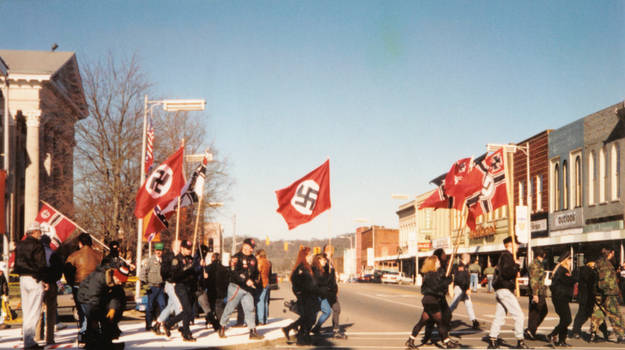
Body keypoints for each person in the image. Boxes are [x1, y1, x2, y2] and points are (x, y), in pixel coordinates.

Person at [405, 255, 458, 349]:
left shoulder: (428, 274)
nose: (439, 263)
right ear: (433, 263)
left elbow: (437, 287)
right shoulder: (433, 275)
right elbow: (438, 287)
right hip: (432, 301)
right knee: (441, 323)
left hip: (428, 300)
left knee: (422, 322)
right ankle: (447, 342)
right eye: (437, 261)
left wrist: (446, 278)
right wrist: (448, 280)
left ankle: (410, 340)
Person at [486, 236, 529, 349]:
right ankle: (520, 341)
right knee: (519, 315)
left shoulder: (504, 256)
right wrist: (516, 265)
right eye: (517, 244)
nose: (518, 246)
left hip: (501, 290)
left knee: (500, 316)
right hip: (504, 290)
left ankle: (492, 340)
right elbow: (507, 272)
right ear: (510, 244)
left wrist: (515, 268)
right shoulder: (507, 256)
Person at [218, 238, 264, 340]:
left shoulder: (253, 259)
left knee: (250, 308)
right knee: (230, 308)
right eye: (249, 247)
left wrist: (255, 280)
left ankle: (252, 331)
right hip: (236, 288)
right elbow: (234, 273)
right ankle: (221, 327)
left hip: (247, 289)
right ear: (244, 246)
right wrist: (246, 280)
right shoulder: (236, 258)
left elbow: (256, 272)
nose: (250, 250)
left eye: (252, 248)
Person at [77, 264, 130, 350]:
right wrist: (94, 318)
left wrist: (113, 309)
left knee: (106, 320)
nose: (121, 283)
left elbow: (116, 297)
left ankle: (106, 341)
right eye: (120, 281)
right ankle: (89, 343)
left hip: (100, 298)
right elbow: (93, 300)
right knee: (92, 322)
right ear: (115, 277)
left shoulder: (116, 282)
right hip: (86, 298)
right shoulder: (98, 279)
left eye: (123, 282)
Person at [14, 222, 49, 350]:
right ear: (34, 232)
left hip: (23, 279)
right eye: (39, 231)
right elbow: (41, 264)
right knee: (34, 312)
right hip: (35, 279)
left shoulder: (20, 244)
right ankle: (29, 342)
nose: (40, 233)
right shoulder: (37, 245)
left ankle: (27, 341)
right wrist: (44, 280)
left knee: (26, 311)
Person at [65, 232, 102, 341]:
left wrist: (71, 282)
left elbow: (68, 271)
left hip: (79, 285)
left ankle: (85, 330)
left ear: (80, 243)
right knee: (93, 308)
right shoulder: (99, 255)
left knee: (82, 309)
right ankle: (94, 330)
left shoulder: (74, 256)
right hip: (95, 285)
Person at [282, 246, 322, 345]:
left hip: (310, 294)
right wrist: (300, 292)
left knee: (308, 317)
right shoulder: (301, 267)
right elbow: (294, 280)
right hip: (305, 295)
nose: (310, 256)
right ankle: (300, 338)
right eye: (308, 254)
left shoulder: (307, 266)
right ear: (304, 256)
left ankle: (292, 330)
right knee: (308, 317)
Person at [162, 240, 197, 342]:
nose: (189, 251)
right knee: (188, 311)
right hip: (180, 286)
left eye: (190, 249)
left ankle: (169, 323)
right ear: (181, 248)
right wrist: (185, 270)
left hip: (189, 287)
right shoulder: (176, 260)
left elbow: (194, 272)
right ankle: (186, 333)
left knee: (188, 311)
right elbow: (174, 276)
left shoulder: (190, 259)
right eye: (187, 248)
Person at [590, 247, 625, 343]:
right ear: (611, 253)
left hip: (598, 293)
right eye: (613, 253)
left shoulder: (598, 262)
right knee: (615, 315)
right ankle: (621, 336)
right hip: (608, 294)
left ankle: (593, 335)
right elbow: (606, 281)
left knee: (597, 314)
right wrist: (610, 292)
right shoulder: (606, 264)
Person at [35, 235, 63, 345]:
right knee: (51, 313)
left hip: (39, 285)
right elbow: (58, 272)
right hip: (51, 285)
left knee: (39, 312)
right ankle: (49, 338)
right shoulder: (53, 254)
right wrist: (53, 281)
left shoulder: (36, 254)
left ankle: (38, 335)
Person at [572, 261, 608, 340]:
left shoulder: (582, 272)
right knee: (596, 315)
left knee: (590, 315)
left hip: (585, 298)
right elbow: (594, 286)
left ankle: (576, 331)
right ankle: (577, 331)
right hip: (588, 298)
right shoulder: (590, 273)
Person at [153, 240, 182, 337]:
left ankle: (157, 323)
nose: (181, 246)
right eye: (179, 245)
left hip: (178, 284)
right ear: (174, 246)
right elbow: (164, 271)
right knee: (179, 305)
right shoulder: (168, 256)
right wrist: (171, 280)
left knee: (171, 307)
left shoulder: (180, 257)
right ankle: (182, 327)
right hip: (171, 284)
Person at [548, 251, 576, 346]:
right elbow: (569, 281)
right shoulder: (562, 270)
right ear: (565, 260)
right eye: (570, 259)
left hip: (560, 297)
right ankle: (552, 334)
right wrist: (577, 277)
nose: (571, 261)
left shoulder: (559, 269)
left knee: (564, 319)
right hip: (560, 298)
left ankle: (561, 341)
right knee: (567, 319)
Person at [449, 253, 479, 330]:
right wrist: (466, 288)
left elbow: (466, 279)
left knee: (469, 305)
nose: (469, 259)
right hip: (460, 289)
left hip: (464, 289)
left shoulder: (465, 267)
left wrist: (467, 288)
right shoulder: (461, 267)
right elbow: (460, 279)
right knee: (454, 305)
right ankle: (445, 319)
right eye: (468, 257)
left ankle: (474, 321)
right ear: (465, 258)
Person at [140, 242, 166, 331]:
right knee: (150, 306)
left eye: (160, 250)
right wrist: (145, 285)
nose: (158, 252)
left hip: (161, 287)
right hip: (152, 287)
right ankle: (148, 325)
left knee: (163, 305)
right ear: (154, 251)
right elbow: (143, 273)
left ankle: (163, 323)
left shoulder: (164, 261)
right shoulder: (150, 261)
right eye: (157, 250)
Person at [525, 247, 548, 340]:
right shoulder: (535, 264)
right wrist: (535, 294)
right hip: (537, 292)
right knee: (538, 311)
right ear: (541, 254)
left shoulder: (539, 263)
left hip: (539, 291)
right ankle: (531, 330)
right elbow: (534, 280)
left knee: (537, 311)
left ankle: (531, 330)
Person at [324, 244, 345, 339]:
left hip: (332, 291)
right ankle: (313, 328)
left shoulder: (331, 262)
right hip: (325, 290)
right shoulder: (324, 261)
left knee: (337, 309)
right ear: (325, 250)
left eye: (332, 249)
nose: (332, 251)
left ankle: (336, 329)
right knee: (318, 311)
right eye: (330, 249)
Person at [204, 252, 229, 331]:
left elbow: (205, 280)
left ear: (212, 258)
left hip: (211, 290)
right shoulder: (224, 269)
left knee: (211, 307)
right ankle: (221, 324)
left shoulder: (207, 268)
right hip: (221, 291)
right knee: (219, 308)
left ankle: (210, 321)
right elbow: (227, 281)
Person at [311, 253, 332, 335]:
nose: (325, 262)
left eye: (326, 260)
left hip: (322, 295)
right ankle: (304, 330)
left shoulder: (324, 269)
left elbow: (328, 276)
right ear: (319, 260)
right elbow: (317, 282)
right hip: (315, 295)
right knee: (313, 316)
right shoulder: (314, 269)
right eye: (324, 260)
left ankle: (317, 327)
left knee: (327, 311)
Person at [256, 249, 272, 326]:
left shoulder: (260, 262)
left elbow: (258, 272)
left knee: (260, 301)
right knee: (265, 302)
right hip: (267, 282)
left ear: (259, 254)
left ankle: (260, 320)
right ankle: (265, 319)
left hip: (261, 283)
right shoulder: (268, 262)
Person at [0, 262, 10, 329]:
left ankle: (1, 322)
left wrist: (6, 294)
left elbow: (4, 284)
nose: (1, 273)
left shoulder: (2, 275)